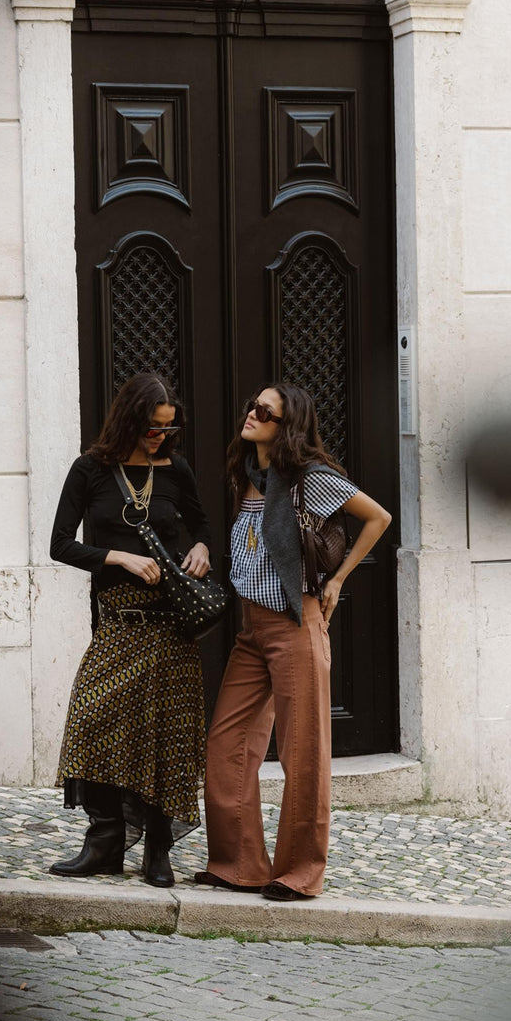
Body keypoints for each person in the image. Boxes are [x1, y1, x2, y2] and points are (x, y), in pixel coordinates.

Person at [195, 384, 391, 901]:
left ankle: (300, 873)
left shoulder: (311, 478)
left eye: (265, 411)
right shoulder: (247, 474)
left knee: (302, 751)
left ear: (287, 427)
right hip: (251, 630)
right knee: (228, 743)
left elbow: (378, 517)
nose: (252, 414)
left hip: (294, 625)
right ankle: (239, 864)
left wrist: (339, 579)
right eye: (252, 405)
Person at [49, 372, 213, 888]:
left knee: (166, 735)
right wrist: (118, 557)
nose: (159, 437)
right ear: (129, 420)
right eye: (151, 428)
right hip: (119, 623)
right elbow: (60, 544)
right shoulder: (90, 469)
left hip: (170, 627)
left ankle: (158, 849)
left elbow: (203, 524)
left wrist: (202, 547)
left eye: (167, 428)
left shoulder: (176, 470)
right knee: (91, 720)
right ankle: (105, 842)